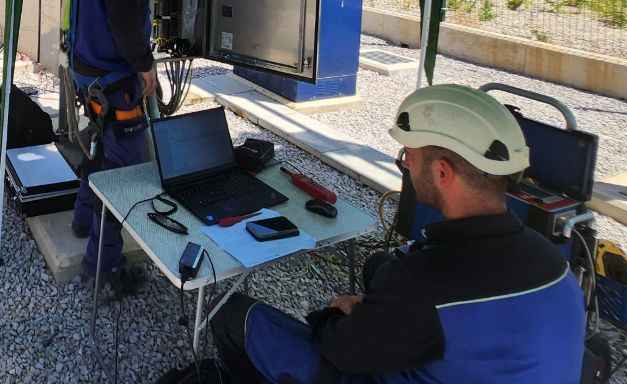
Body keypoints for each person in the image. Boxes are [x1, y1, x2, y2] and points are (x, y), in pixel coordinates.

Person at [213, 84, 585, 383]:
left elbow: (342, 349)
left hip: (386, 349)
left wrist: (342, 315)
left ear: (442, 172)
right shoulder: (553, 263)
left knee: (233, 315)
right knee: (380, 266)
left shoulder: (427, 284)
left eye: (409, 155)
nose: (404, 164)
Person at [67, 0, 167, 298]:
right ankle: (102, 269)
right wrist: (146, 70)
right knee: (126, 171)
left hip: (86, 71)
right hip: (114, 78)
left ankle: (83, 218)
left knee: (100, 148)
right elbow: (126, 26)